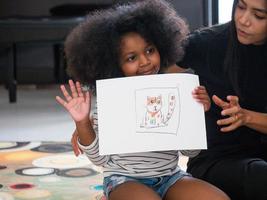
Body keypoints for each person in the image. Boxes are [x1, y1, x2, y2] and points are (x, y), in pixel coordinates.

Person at [56, 0, 230, 199]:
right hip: (124, 180)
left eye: (149, 51)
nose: (145, 62)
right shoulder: (112, 101)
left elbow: (190, 151)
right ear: (114, 64)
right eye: (131, 58)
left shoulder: (174, 91)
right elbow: (99, 158)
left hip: (171, 177)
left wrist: (196, 112)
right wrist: (82, 122)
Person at [175, 0, 267, 199]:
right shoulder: (207, 42)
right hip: (216, 160)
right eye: (241, 7)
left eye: (259, 15)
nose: (243, 20)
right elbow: (156, 76)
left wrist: (246, 117)